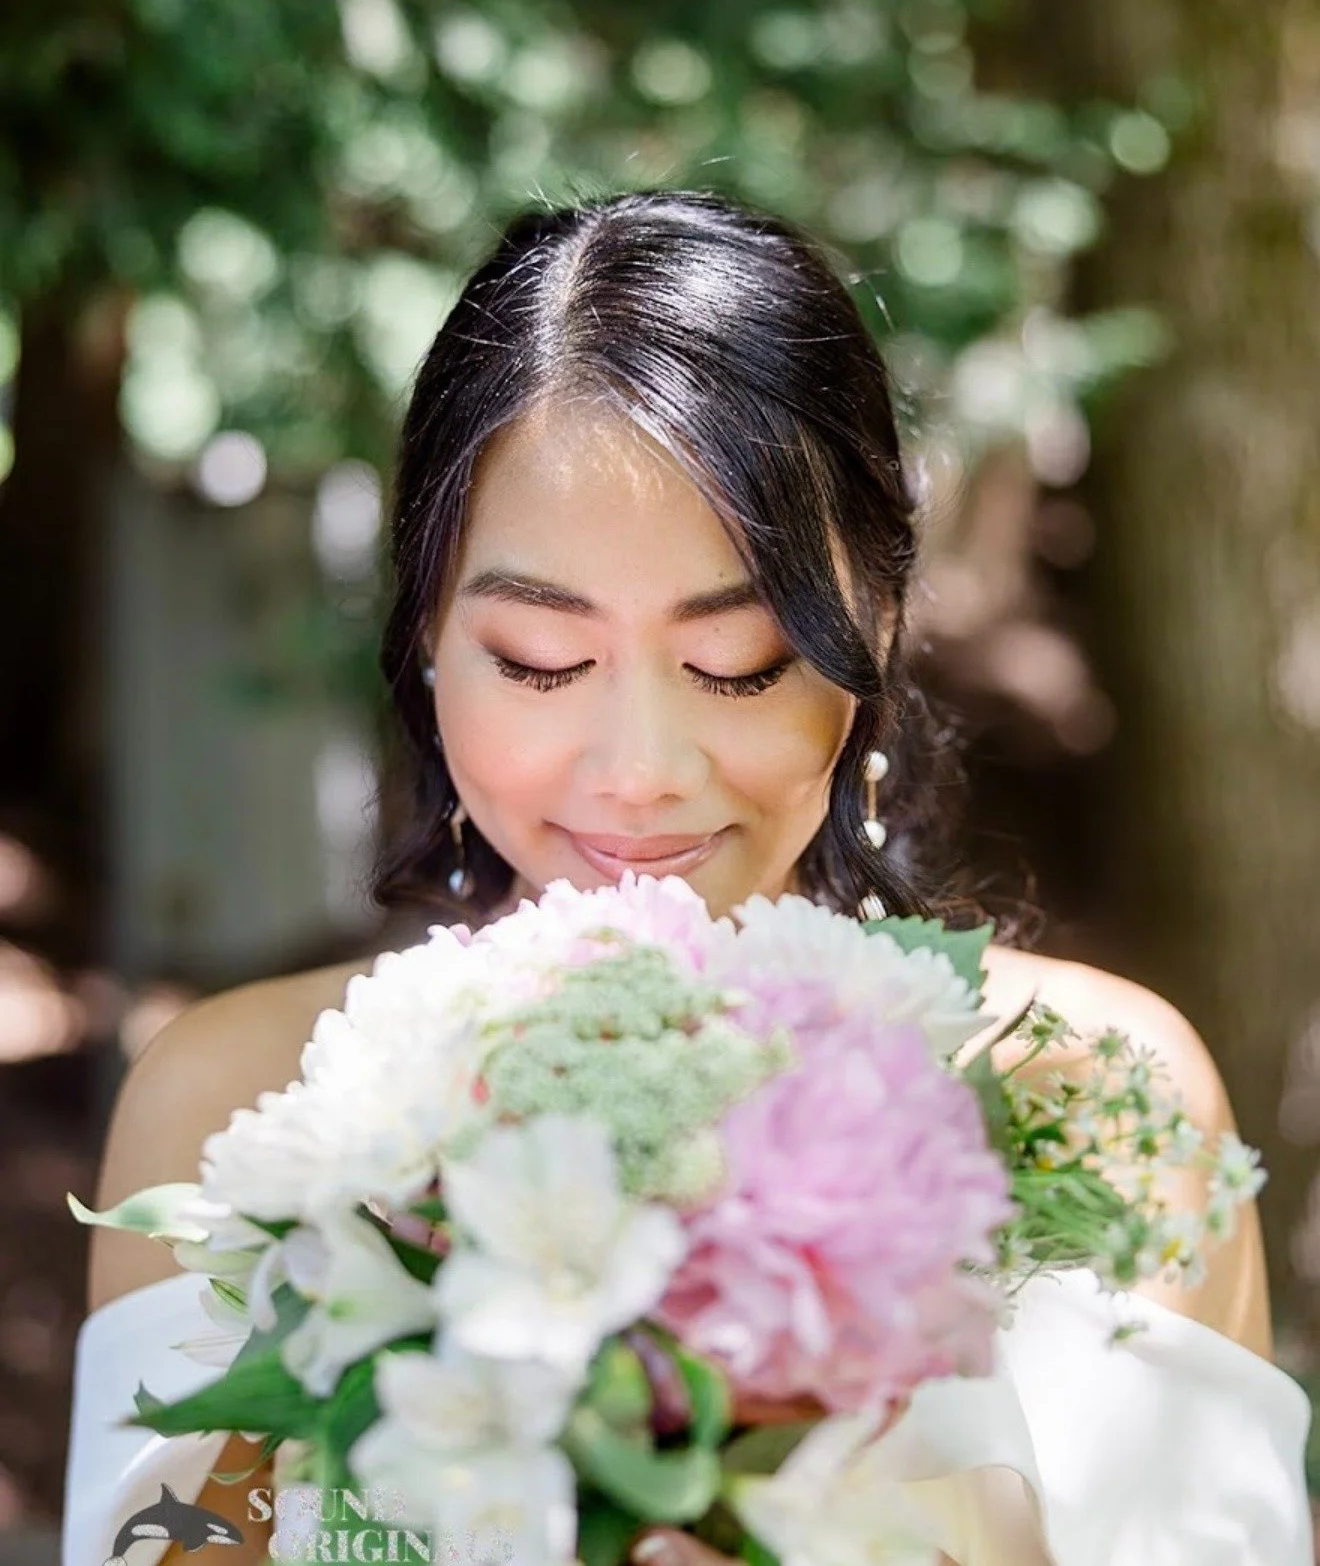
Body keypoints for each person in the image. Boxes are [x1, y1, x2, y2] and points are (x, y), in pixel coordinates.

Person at [64, 190, 1311, 1565]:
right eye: (541, 659)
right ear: (428, 637)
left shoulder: (1104, 1099)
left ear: (875, 633)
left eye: (737, 662)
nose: (640, 767)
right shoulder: (240, 1117)